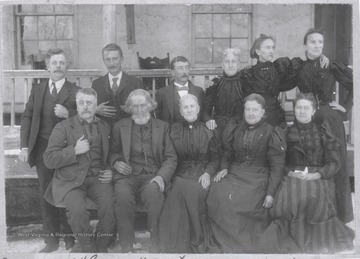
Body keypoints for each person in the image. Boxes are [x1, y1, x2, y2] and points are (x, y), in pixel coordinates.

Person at [258, 93, 354, 253]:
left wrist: (317, 175)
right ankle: (294, 240)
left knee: (315, 195)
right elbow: (280, 162)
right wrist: (290, 173)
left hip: (320, 176)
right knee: (290, 198)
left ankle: (318, 242)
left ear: (314, 111)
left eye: (306, 108)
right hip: (292, 175)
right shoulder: (285, 132)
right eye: (299, 108)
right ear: (294, 110)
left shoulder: (324, 133)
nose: (302, 111)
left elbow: (334, 162)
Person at [287, 28, 353, 223]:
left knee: (335, 162)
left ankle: (340, 213)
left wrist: (345, 107)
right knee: (312, 160)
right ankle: (315, 210)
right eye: (313, 42)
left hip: (328, 117)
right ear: (305, 45)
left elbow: (354, 83)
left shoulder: (330, 65)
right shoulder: (298, 66)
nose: (317, 45)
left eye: (320, 42)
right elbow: (281, 83)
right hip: (308, 117)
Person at [206, 93, 286, 253]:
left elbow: (277, 167)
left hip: (258, 176)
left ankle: (241, 244)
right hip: (234, 173)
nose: (250, 113)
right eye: (247, 109)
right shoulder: (236, 129)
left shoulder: (272, 132)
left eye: (255, 110)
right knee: (217, 192)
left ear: (263, 112)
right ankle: (225, 241)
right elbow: (227, 153)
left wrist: (270, 193)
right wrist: (224, 168)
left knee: (239, 202)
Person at [18, 48, 79, 252]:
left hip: (67, 149)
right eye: (54, 63)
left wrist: (68, 113)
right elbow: (27, 117)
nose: (58, 66)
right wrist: (25, 146)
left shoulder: (75, 90)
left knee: (66, 191)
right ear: (47, 67)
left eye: (62, 63)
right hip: (43, 148)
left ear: (67, 66)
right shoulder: (38, 90)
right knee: (46, 193)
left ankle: (70, 238)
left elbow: (84, 117)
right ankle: (51, 241)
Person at [43, 88, 115, 253]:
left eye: (89, 103)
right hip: (71, 180)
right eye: (81, 103)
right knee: (77, 211)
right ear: (76, 104)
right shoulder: (63, 127)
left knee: (110, 208)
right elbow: (48, 159)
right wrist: (74, 151)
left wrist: (111, 170)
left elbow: (111, 154)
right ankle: (87, 248)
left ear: (96, 105)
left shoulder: (104, 127)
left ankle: (101, 247)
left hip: (98, 178)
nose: (85, 107)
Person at [109, 89, 177, 253]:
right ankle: (127, 244)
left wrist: (161, 176)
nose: (139, 110)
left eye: (143, 105)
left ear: (150, 106)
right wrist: (116, 162)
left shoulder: (163, 127)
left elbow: (170, 157)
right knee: (123, 196)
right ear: (129, 108)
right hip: (127, 176)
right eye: (135, 106)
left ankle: (156, 243)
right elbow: (113, 151)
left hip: (152, 175)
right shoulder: (119, 127)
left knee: (155, 196)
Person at [159, 94, 221, 253]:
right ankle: (175, 243)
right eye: (185, 107)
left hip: (201, 173)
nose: (189, 110)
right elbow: (170, 156)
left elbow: (215, 159)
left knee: (195, 191)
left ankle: (197, 239)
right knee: (176, 193)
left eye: (192, 106)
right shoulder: (173, 130)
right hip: (179, 173)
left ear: (198, 108)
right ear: (180, 111)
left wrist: (208, 173)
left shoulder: (208, 130)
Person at [240, 34, 328, 127]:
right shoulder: (249, 73)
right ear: (258, 51)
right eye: (267, 48)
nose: (271, 51)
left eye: (272, 48)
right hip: (256, 116)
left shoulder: (279, 67)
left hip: (275, 115)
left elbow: (303, 65)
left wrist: (319, 56)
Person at [92, 43, 144, 127]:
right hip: (105, 132)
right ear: (104, 61)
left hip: (128, 131)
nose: (112, 63)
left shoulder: (135, 83)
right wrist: (96, 110)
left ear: (122, 59)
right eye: (108, 59)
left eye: (115, 59)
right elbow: (88, 108)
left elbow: (144, 108)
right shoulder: (96, 84)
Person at [203, 48, 245, 134]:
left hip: (240, 128)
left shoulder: (245, 83)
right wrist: (209, 120)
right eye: (227, 61)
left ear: (238, 64)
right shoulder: (215, 84)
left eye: (233, 61)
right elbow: (205, 112)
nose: (230, 65)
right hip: (219, 128)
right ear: (222, 65)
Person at [155, 56, 204, 124]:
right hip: (170, 133)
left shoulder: (199, 91)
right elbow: (158, 120)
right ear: (173, 72)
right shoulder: (161, 93)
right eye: (180, 68)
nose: (184, 71)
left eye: (187, 68)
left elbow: (203, 116)